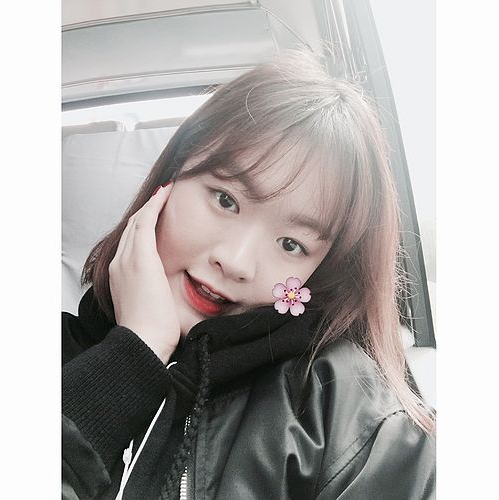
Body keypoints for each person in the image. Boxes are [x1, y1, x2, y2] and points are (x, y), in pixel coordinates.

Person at [62, 49, 436, 500]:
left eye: (291, 244)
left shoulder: (351, 424)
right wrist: (132, 356)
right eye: (225, 200)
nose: (237, 262)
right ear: (170, 178)